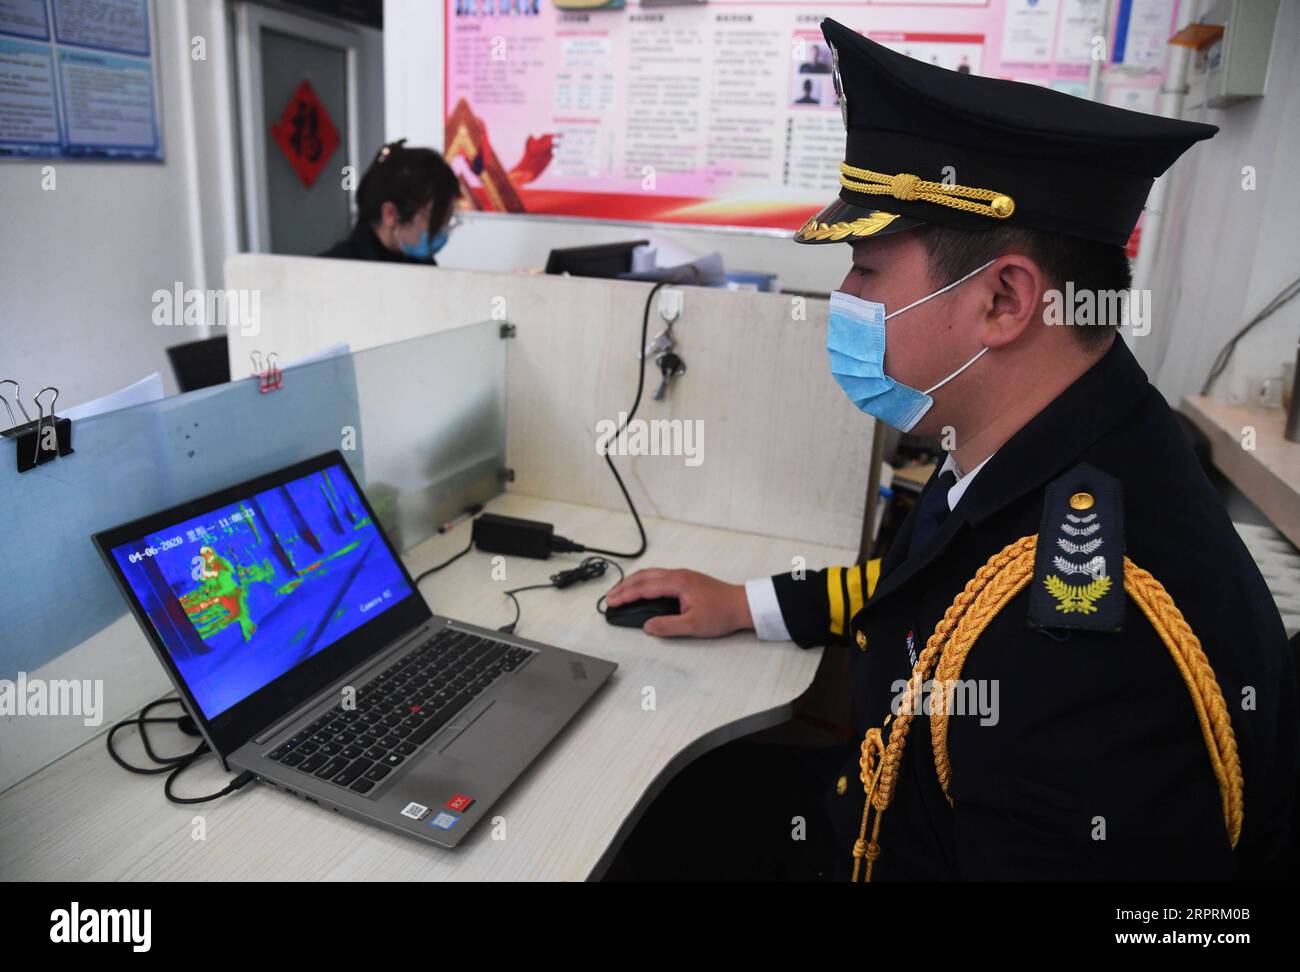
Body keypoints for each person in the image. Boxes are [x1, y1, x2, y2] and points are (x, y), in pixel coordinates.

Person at [604, 19, 1298, 881]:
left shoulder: (1093, 645)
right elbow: (923, 589)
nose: (844, 298)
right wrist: (750, 604)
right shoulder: (1027, 433)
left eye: (866, 269)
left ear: (1006, 301)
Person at [320, 139, 461, 264]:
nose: (442, 231)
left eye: (448, 219)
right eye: (435, 218)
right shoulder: (335, 269)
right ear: (390, 214)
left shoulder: (423, 266)